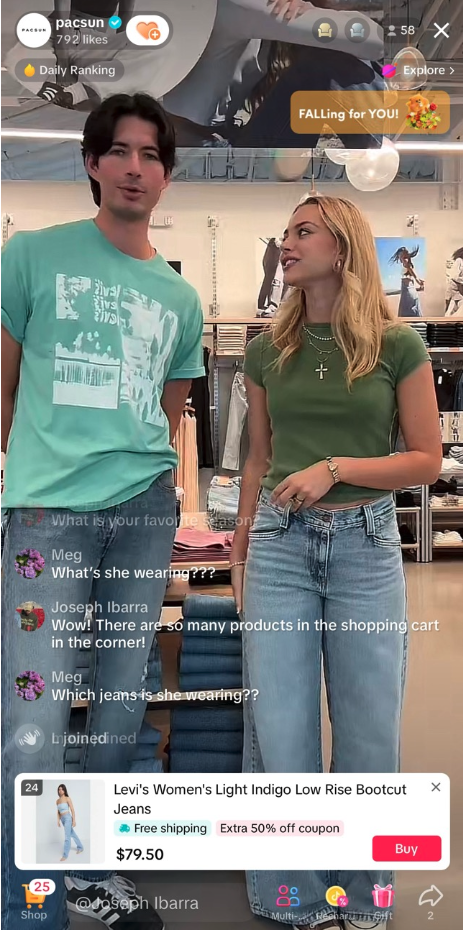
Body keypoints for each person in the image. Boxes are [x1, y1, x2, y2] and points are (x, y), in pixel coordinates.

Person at [2, 92, 205, 929]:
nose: (134, 167)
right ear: (91, 163)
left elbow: (167, 415)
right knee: (37, 705)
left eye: (151, 155)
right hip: (49, 516)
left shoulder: (180, 298)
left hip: (145, 511)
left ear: (165, 174)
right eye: (119, 151)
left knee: (121, 702)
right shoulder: (32, 256)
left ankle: (91, 869)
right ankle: (28, 892)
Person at [229, 194, 442, 929]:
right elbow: (256, 458)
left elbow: (424, 460)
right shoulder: (266, 349)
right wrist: (240, 548)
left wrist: (335, 465)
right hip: (280, 551)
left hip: (366, 550)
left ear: (342, 249)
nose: (285, 244)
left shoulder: (397, 345)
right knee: (281, 731)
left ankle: (359, 896)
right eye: (284, 231)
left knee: (366, 732)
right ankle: (292, 897)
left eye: (301, 232)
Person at [389, 246, 425, 318]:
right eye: (399, 256)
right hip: (409, 288)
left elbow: (414, 275)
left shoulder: (406, 262)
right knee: (410, 310)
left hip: (407, 289)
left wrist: (418, 281)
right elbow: (412, 274)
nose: (400, 257)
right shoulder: (407, 262)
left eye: (401, 255)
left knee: (406, 311)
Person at [56, 784, 84, 861]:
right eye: (59, 789)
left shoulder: (67, 798)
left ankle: (65, 855)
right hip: (62, 819)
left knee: (67, 836)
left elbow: (72, 810)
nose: (60, 791)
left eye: (61, 789)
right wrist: (58, 820)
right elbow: (58, 812)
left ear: (64, 790)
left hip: (68, 818)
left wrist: (74, 820)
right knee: (72, 833)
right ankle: (80, 847)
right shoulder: (57, 801)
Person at [445, 247, 463, 317]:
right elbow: (454, 276)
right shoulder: (459, 261)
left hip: (460, 289)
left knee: (457, 306)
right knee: (448, 307)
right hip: (453, 288)